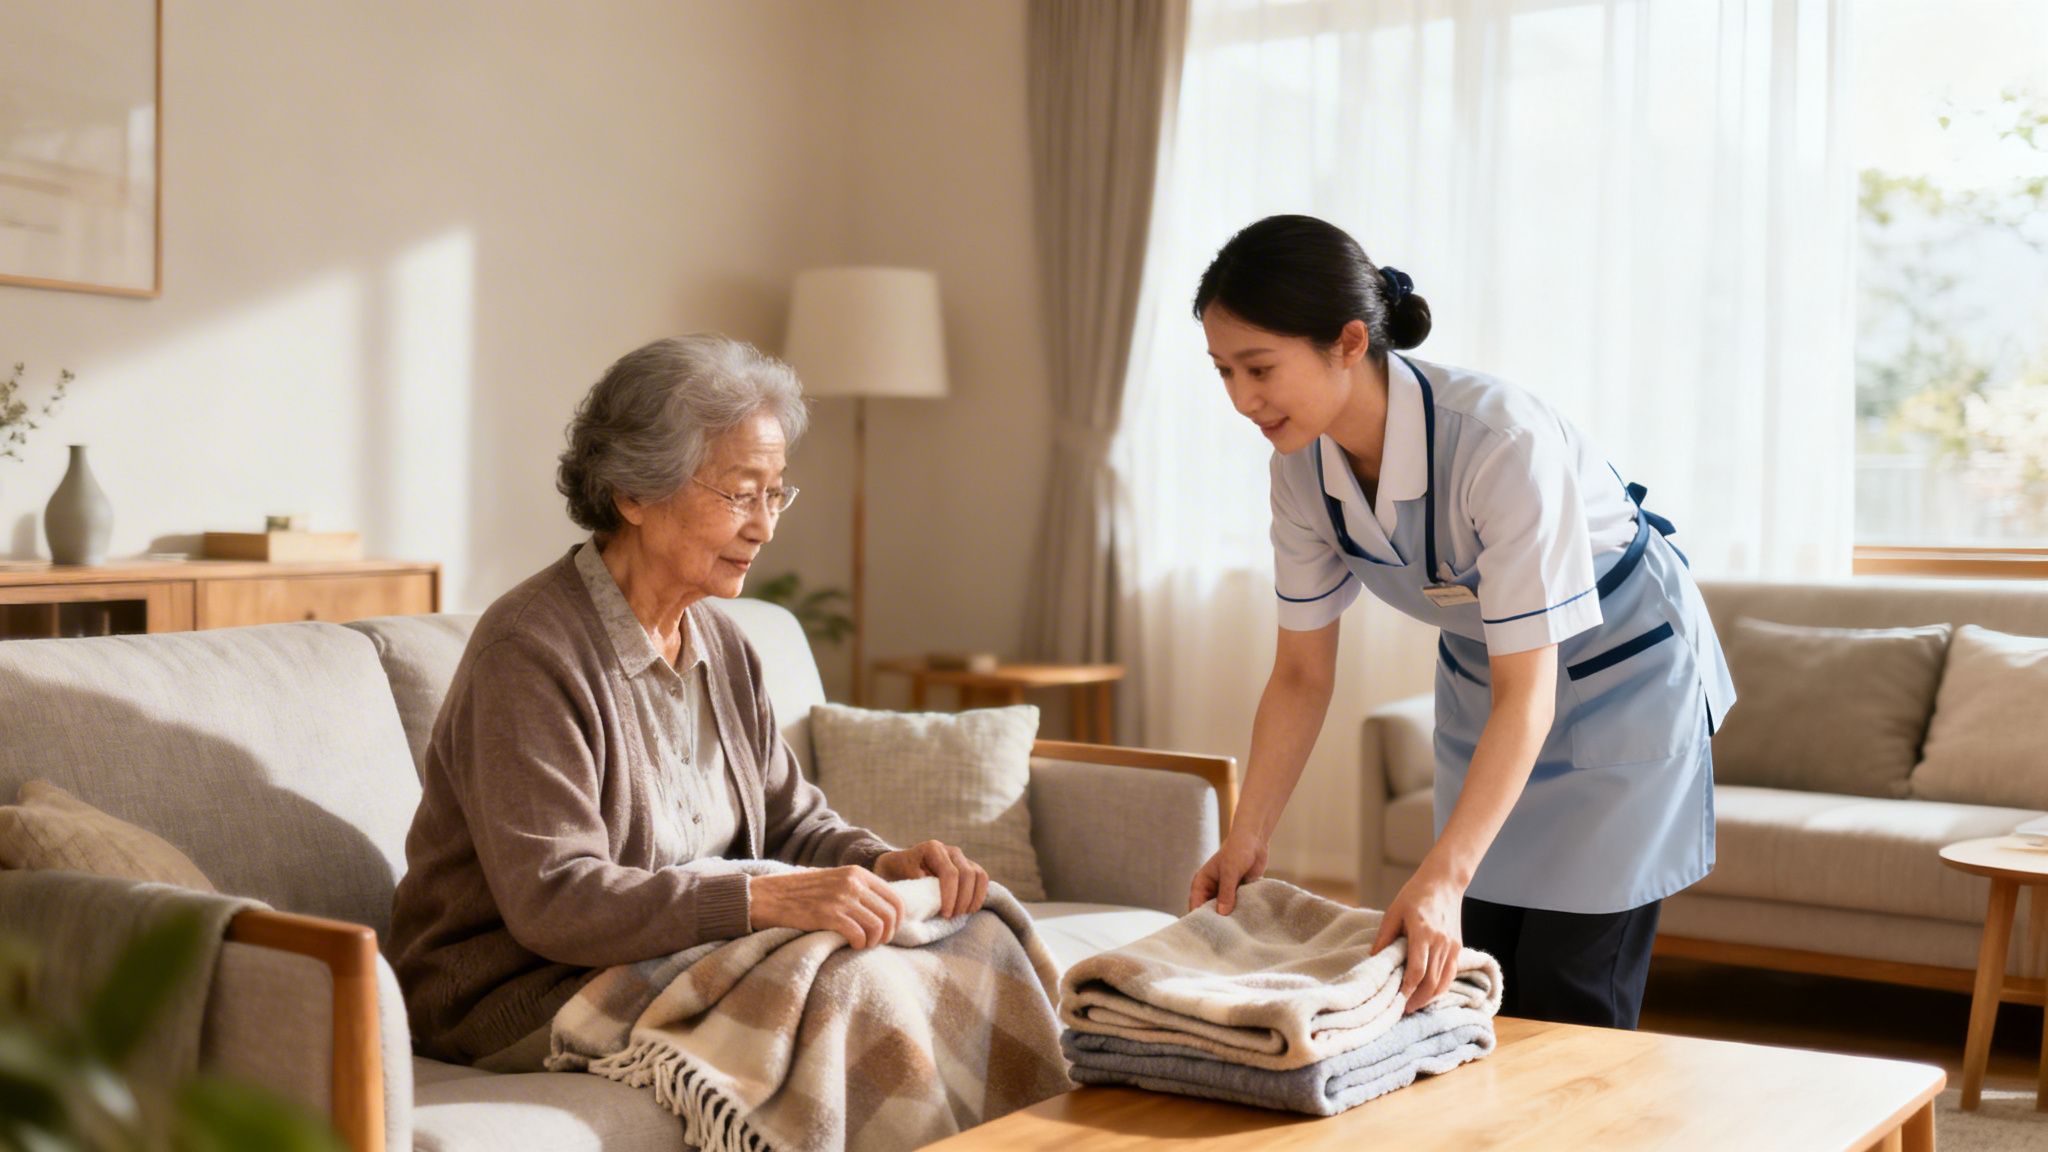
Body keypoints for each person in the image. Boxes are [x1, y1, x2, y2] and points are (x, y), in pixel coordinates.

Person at [1186, 215, 1735, 1031]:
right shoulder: (1299, 468)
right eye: (1223, 370)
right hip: (1494, 684)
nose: (1241, 399)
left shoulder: (1499, 442)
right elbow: (1302, 673)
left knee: (1567, 998)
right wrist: (1248, 837)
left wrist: (1443, 873)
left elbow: (1532, 689)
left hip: (1622, 681)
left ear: (1346, 341)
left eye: (1259, 367)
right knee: (1475, 984)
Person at [390, 334, 991, 1068]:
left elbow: (790, 824)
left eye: (775, 495)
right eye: (740, 494)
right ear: (634, 493)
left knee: (952, 948)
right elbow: (555, 900)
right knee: (844, 993)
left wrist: (881, 865)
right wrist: (762, 901)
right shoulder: (529, 651)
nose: (765, 527)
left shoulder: (723, 643)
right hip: (520, 991)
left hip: (672, 956)